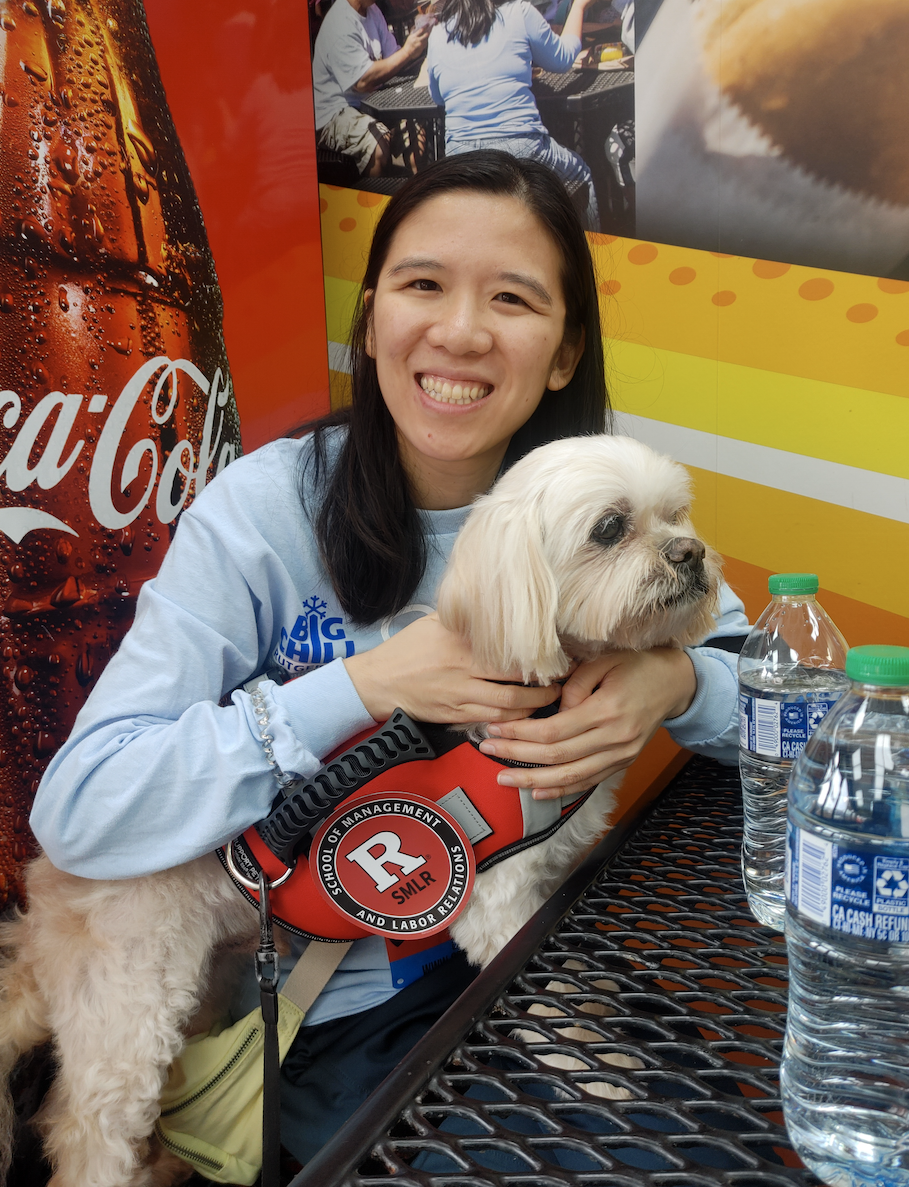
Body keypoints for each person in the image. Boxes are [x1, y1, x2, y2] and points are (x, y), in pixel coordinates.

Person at [30, 151, 748, 1165]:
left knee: (711, 1143)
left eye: (511, 297)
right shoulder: (264, 513)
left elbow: (791, 700)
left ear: (564, 351)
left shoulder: (600, 498)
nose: (459, 330)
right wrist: (360, 687)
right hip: (321, 1005)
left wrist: (677, 681)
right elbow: (81, 809)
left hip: (534, 944)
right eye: (422, 285)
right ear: (369, 322)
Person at [425, 0, 600, 229]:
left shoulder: (438, 33)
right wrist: (578, 7)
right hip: (519, 145)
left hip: (460, 152)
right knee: (580, 174)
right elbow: (563, 58)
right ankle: (592, 259)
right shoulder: (520, 12)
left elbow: (438, 96)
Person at [312, 0, 430, 177]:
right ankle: (374, 200)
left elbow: (393, 57)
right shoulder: (340, 23)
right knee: (377, 144)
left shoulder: (373, 11)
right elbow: (362, 82)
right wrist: (407, 52)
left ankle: (418, 188)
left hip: (372, 102)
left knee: (415, 127)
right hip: (333, 113)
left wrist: (417, 38)